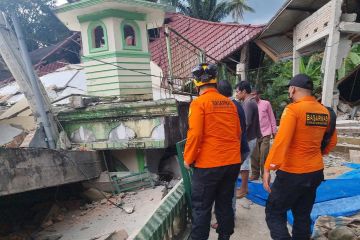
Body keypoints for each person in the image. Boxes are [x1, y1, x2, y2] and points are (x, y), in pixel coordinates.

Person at [263, 74, 338, 240]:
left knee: (274, 211)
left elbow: (281, 142)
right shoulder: (324, 111)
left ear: (292, 89)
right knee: (302, 215)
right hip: (315, 171)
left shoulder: (293, 110)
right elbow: (332, 140)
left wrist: (269, 167)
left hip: (292, 173)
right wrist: (317, 154)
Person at [183, 64, 242, 240]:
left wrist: (188, 158)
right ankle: (224, 237)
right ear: (215, 83)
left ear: (196, 85)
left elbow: (195, 134)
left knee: (202, 207)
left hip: (209, 165)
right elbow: (238, 133)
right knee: (224, 203)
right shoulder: (230, 104)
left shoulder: (198, 103)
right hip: (232, 163)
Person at [210, 80, 250, 230]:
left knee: (225, 187)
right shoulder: (237, 105)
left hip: (231, 152)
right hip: (240, 150)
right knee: (229, 185)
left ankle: (226, 218)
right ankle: (228, 215)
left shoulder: (225, 106)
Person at [235, 81, 262, 198]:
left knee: (244, 164)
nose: (236, 94)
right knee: (244, 163)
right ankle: (243, 188)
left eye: (237, 92)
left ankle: (244, 189)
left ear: (244, 91)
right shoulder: (250, 102)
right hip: (251, 137)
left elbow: (246, 123)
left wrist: (238, 136)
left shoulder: (248, 103)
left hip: (248, 137)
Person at [250, 90, 277, 181]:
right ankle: (255, 174)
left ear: (258, 95)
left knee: (264, 155)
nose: (252, 97)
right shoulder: (249, 105)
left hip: (265, 133)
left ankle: (264, 175)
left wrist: (274, 132)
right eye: (251, 95)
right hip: (253, 134)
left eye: (254, 94)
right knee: (254, 156)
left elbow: (272, 118)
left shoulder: (266, 104)